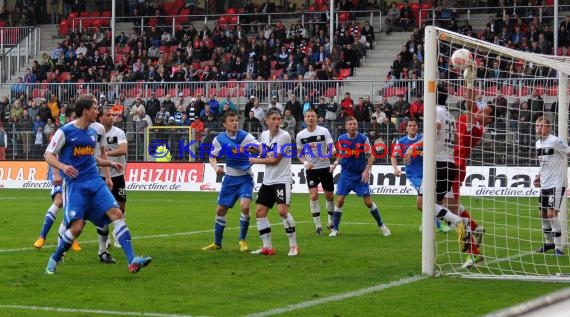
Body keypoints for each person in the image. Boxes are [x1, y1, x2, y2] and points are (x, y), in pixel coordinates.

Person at [44, 94, 151, 274]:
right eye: (94, 108)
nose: (97, 111)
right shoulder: (65, 131)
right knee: (77, 228)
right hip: (76, 185)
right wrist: (62, 166)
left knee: (117, 213)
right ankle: (55, 257)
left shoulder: (95, 131)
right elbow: (48, 155)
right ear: (85, 111)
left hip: (95, 182)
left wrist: (108, 164)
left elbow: (90, 157)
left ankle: (132, 260)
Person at [201, 110, 260, 252]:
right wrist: (216, 168)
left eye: (236, 120)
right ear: (224, 124)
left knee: (245, 207)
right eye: (231, 121)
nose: (235, 123)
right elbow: (212, 156)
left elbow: (260, 148)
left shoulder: (246, 136)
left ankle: (242, 240)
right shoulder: (219, 139)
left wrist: (253, 151)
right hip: (229, 179)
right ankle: (217, 243)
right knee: (220, 210)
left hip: (245, 178)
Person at [329, 116, 390, 237]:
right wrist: (335, 163)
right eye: (350, 124)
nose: (352, 126)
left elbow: (371, 156)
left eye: (354, 124)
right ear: (346, 126)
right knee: (340, 200)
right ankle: (335, 229)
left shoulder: (363, 139)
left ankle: (381, 225)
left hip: (360, 175)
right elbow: (341, 154)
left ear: (357, 125)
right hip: (346, 174)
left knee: (368, 203)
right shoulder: (341, 139)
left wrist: (367, 170)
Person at [249, 108, 299, 256]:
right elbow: (264, 152)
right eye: (274, 119)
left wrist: (254, 160)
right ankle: (267, 247)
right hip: (268, 180)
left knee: (282, 211)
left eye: (279, 119)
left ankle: (293, 246)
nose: (278, 122)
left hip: (282, 180)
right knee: (259, 212)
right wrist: (250, 149)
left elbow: (274, 160)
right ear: (266, 120)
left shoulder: (285, 136)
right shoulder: (264, 135)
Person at [33, 107, 82, 253]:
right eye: (73, 117)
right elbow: (51, 154)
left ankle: (71, 237)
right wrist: (56, 174)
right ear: (67, 118)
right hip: (58, 171)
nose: (76, 119)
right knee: (59, 201)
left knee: (71, 206)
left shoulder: (81, 132)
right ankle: (42, 236)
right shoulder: (61, 133)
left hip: (72, 173)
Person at [391, 119, 450, 233]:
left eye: (414, 125)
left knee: (427, 201)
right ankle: (437, 225)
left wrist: (427, 153)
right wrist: (395, 169)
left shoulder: (423, 139)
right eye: (410, 126)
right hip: (414, 175)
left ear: (417, 127)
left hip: (429, 173)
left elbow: (435, 151)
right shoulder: (401, 142)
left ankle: (427, 223)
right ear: (406, 128)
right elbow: (393, 156)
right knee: (426, 200)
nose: (412, 127)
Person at [534, 116, 570, 256]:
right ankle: (549, 242)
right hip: (545, 183)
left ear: (548, 127)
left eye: (542, 126)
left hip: (557, 183)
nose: (539, 128)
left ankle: (559, 248)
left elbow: (568, 151)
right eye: (537, 126)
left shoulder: (556, 140)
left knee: (551, 213)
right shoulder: (538, 143)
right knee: (542, 214)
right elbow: (543, 162)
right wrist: (538, 176)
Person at [296, 109, 335, 235]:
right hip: (311, 169)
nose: (310, 118)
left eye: (313, 116)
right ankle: (318, 226)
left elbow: (333, 149)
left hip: (325, 167)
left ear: (316, 118)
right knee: (313, 195)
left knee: (329, 195)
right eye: (308, 116)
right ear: (305, 118)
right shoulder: (300, 135)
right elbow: (299, 154)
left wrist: (327, 154)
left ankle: (331, 222)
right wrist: (305, 163)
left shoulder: (324, 131)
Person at [99, 107, 128, 249]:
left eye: (112, 115)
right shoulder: (97, 132)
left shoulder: (118, 132)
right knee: (104, 207)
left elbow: (123, 150)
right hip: (101, 175)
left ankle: (118, 233)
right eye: (108, 115)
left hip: (117, 174)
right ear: (101, 118)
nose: (112, 117)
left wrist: (105, 156)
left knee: (121, 206)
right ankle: (106, 238)